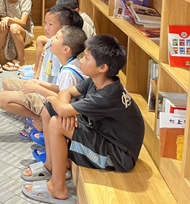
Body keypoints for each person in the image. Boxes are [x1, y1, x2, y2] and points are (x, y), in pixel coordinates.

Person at [21, 35, 143, 204]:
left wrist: (59, 104)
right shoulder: (97, 81)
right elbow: (66, 92)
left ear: (102, 67)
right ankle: (50, 165)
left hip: (118, 156)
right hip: (102, 134)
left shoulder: (107, 95)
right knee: (49, 110)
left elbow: (61, 105)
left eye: (86, 58)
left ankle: (58, 189)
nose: (81, 61)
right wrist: (64, 109)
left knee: (57, 122)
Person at [1, 6, 84, 136]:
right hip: (46, 91)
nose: (46, 27)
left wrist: (37, 88)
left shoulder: (64, 61)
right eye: (45, 23)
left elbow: (62, 100)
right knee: (7, 83)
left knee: (1, 98)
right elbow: (55, 84)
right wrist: (38, 81)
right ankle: (38, 116)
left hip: (50, 100)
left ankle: (40, 119)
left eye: (50, 24)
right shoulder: (54, 47)